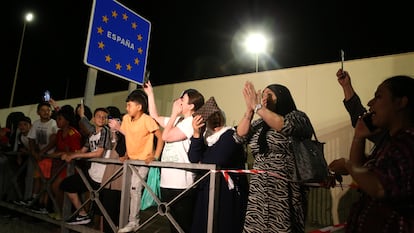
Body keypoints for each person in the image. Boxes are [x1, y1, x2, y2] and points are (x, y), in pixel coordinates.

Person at [329, 75, 414, 232]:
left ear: (401, 102)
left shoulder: (408, 143)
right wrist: (359, 137)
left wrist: (347, 165)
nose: (370, 103)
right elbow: (362, 171)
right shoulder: (390, 141)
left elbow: (379, 187)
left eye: (378, 97)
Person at [235, 81, 313, 233]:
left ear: (282, 97)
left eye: (269, 94)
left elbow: (285, 126)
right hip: (259, 188)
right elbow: (239, 137)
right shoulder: (259, 123)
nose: (264, 98)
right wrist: (250, 110)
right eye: (262, 94)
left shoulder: (296, 116)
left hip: (284, 186)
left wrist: (258, 107)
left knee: (282, 226)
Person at [143, 81, 204, 233]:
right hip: (167, 181)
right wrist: (150, 94)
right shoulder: (177, 120)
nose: (179, 101)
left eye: (183, 99)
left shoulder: (191, 122)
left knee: (183, 225)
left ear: (191, 106)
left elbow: (166, 136)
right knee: (172, 223)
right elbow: (155, 116)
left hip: (182, 183)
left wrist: (173, 114)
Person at [188, 97, 248, 233]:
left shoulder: (229, 135)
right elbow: (193, 159)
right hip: (207, 190)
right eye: (210, 117)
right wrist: (196, 134)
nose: (214, 119)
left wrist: (202, 161)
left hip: (226, 193)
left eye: (217, 115)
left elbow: (216, 159)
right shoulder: (206, 138)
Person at [109, 89, 164, 233]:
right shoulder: (127, 118)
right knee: (129, 190)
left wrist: (155, 156)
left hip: (143, 161)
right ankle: (129, 220)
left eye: (129, 105)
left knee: (135, 189)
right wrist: (127, 153)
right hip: (131, 160)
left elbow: (161, 137)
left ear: (139, 107)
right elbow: (129, 135)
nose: (127, 108)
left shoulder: (147, 120)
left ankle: (134, 222)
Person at [59, 107, 112, 225]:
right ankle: (82, 214)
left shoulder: (105, 131)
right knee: (66, 184)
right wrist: (69, 154)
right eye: (99, 116)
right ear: (93, 119)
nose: (102, 119)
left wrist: (73, 156)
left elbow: (99, 153)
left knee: (101, 212)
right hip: (92, 174)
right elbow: (82, 151)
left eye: (104, 117)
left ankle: (84, 217)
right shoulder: (92, 134)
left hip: (103, 177)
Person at [48, 105, 82, 220]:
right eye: (57, 119)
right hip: (60, 166)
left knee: (57, 186)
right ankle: (59, 211)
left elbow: (75, 153)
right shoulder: (59, 133)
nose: (57, 121)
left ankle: (64, 213)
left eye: (60, 119)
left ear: (67, 121)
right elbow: (58, 151)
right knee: (53, 186)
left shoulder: (73, 134)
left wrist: (61, 154)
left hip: (71, 167)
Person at [26, 102, 58, 214]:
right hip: (40, 157)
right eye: (43, 110)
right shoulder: (36, 123)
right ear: (38, 112)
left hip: (49, 156)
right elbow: (31, 139)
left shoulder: (53, 123)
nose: (46, 112)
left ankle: (44, 204)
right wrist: (34, 152)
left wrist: (42, 152)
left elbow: (54, 141)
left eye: (48, 110)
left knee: (46, 181)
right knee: (37, 179)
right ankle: (35, 200)